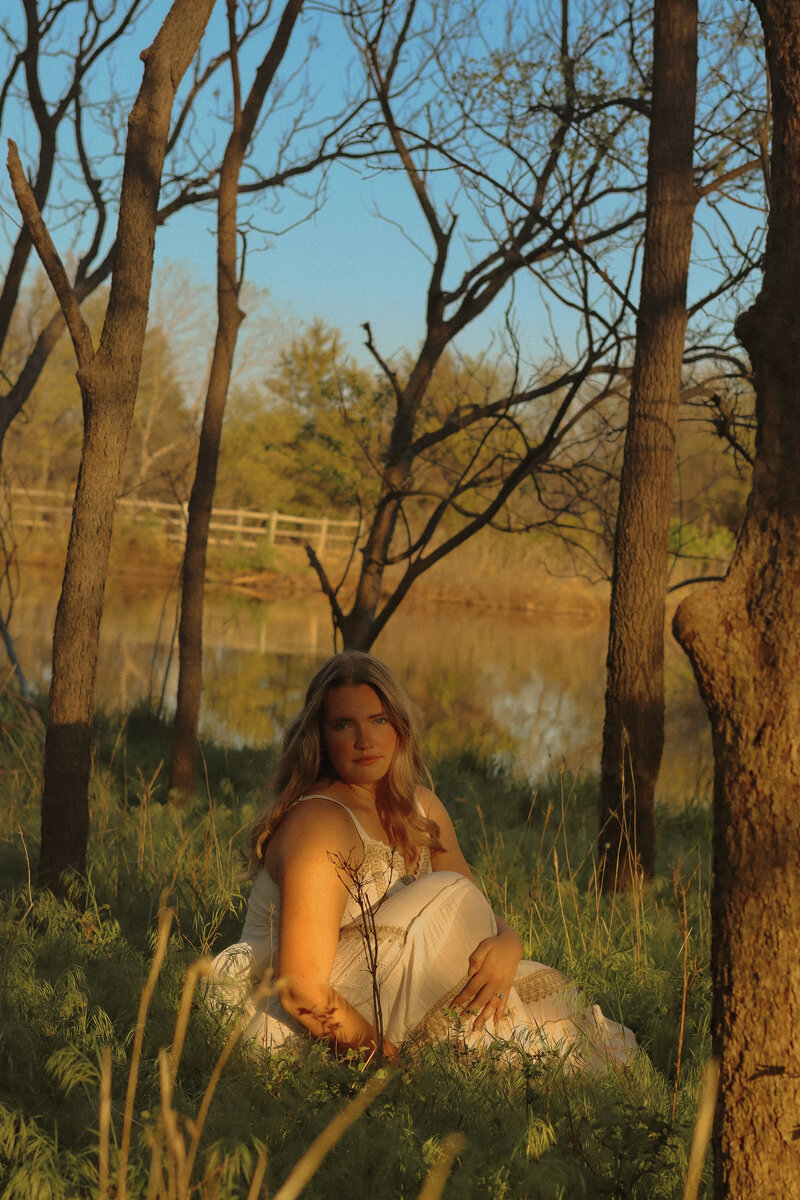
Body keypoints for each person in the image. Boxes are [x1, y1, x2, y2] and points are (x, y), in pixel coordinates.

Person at [210, 652, 637, 1070]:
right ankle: (453, 1059)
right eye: (343, 725)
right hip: (303, 1031)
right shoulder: (319, 824)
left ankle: (480, 1056)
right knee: (447, 894)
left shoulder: (421, 808)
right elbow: (301, 991)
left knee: (552, 1007)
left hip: (389, 999)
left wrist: (510, 944)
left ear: (400, 727)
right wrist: (389, 1065)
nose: (364, 740)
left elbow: (473, 912)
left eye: (379, 720)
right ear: (319, 738)